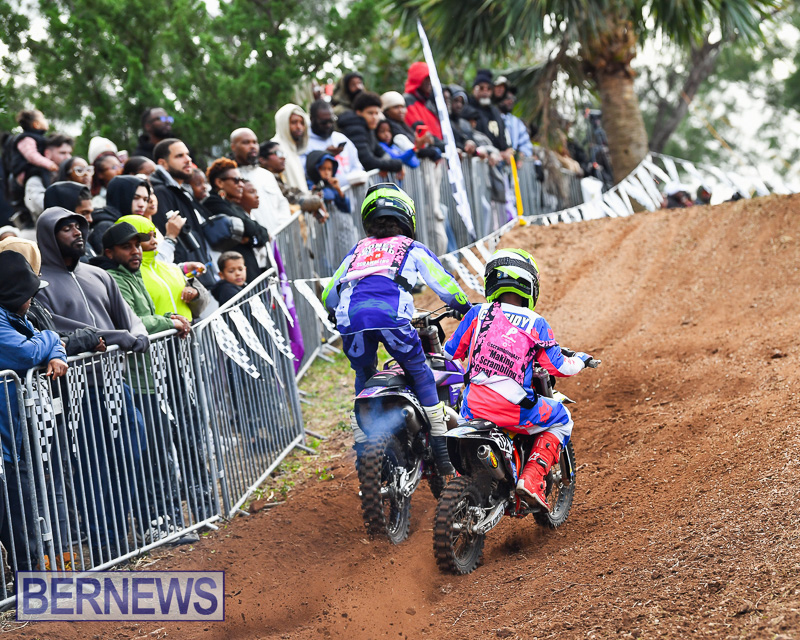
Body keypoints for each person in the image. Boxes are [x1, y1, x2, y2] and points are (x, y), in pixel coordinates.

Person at [322, 184, 471, 473]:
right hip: (391, 318)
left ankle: (363, 442)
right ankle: (441, 451)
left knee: (364, 375)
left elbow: (330, 292)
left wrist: (334, 313)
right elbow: (444, 284)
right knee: (420, 372)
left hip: (351, 322)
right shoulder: (410, 247)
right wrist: (464, 306)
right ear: (407, 218)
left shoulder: (357, 250)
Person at [35, 207, 149, 559]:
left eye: (78, 227)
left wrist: (139, 335)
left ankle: (125, 532)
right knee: (94, 469)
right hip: (79, 392)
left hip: (117, 381)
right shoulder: (39, 284)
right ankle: (105, 544)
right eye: (66, 229)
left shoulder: (99, 274)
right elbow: (60, 330)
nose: (76, 233)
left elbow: (131, 321)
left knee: (132, 454)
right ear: (48, 239)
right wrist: (119, 336)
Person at [444, 249, 595, 508]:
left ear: (491, 283)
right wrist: (581, 359)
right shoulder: (537, 323)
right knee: (562, 419)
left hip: (472, 408)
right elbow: (558, 367)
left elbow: (450, 352)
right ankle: (532, 477)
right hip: (511, 410)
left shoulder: (477, 313)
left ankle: (466, 482)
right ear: (530, 286)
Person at [0, 251, 68, 571]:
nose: (32, 301)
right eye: (29, 294)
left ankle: (30, 583)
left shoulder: (14, 315)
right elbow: (25, 353)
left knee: (23, 510)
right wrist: (52, 339)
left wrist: (54, 349)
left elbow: (39, 343)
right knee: (14, 513)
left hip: (13, 432)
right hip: (5, 442)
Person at [149, 138, 215, 287]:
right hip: (186, 281)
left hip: (198, 275)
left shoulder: (180, 189)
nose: (188, 159)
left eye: (187, 154)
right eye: (179, 156)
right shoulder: (160, 192)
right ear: (162, 163)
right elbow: (169, 236)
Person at [204, 158, 270, 284]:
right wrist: (251, 233)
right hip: (234, 274)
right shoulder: (213, 203)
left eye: (241, 180)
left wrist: (249, 239)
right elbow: (249, 227)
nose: (241, 185)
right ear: (219, 182)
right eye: (236, 180)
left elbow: (262, 232)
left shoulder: (232, 204)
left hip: (248, 266)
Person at [230, 128, 293, 236]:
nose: (252, 146)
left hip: (277, 239)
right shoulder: (230, 177)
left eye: (255, 142)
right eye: (246, 142)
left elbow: (281, 203)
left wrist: (281, 228)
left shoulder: (266, 175)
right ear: (233, 147)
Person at [303, 99, 366, 189]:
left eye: (331, 120)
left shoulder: (340, 138)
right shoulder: (305, 144)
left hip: (351, 197)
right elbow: (306, 175)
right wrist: (325, 155)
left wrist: (355, 178)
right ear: (312, 119)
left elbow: (357, 166)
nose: (328, 125)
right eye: (324, 122)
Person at [338, 92, 404, 177]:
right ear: (359, 112)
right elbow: (367, 161)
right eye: (370, 113)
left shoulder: (368, 126)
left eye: (377, 113)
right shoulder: (355, 129)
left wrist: (390, 164)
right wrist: (394, 165)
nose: (374, 117)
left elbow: (379, 151)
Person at [259, 141, 325, 221]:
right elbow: (293, 201)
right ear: (262, 160)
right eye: (278, 153)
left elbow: (293, 193)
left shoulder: (277, 177)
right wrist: (316, 201)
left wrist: (312, 195)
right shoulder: (265, 180)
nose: (283, 157)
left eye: (284, 154)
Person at [23, 133, 74, 221]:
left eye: (69, 153)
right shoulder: (36, 179)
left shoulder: (73, 175)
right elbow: (42, 206)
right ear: (48, 154)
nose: (68, 157)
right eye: (62, 153)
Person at [469, 69, 511, 156]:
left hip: (498, 160)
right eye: (481, 88)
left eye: (488, 88)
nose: (485, 91)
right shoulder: (469, 108)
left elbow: (502, 135)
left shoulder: (495, 111)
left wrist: (506, 151)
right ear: (475, 89)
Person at [272, 104, 310, 193]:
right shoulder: (276, 149)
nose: (299, 127)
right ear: (283, 123)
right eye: (294, 122)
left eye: (302, 123)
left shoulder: (292, 149)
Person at [402, 62, 443, 143]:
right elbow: (420, 130)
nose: (430, 82)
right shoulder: (408, 100)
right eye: (426, 78)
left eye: (431, 78)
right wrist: (443, 145)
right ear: (418, 79)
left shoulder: (427, 102)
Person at [498, 88, 534, 157]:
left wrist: (521, 155)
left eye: (513, 98)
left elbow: (526, 143)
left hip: (513, 163)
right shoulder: (492, 117)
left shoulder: (516, 122)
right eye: (507, 98)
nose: (511, 101)